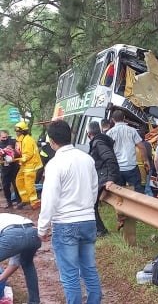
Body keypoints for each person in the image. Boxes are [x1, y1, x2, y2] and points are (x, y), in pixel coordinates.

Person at [37, 120, 102, 304]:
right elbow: (93, 189)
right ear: (70, 135)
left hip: (66, 223)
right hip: (88, 220)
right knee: (89, 269)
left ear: (51, 141)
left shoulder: (55, 164)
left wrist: (42, 227)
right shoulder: (87, 159)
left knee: (70, 275)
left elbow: (49, 198)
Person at [88, 121, 120, 237]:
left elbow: (110, 159)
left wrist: (111, 178)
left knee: (91, 204)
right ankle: (99, 230)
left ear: (89, 133)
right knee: (92, 203)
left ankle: (100, 230)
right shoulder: (100, 141)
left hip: (103, 178)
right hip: (102, 177)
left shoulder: (98, 143)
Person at [0, 212, 41, 304]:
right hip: (34, 233)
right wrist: (1, 278)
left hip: (12, 233)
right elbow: (15, 263)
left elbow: (14, 239)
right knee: (28, 264)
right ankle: (34, 301)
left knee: (27, 264)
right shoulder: (6, 217)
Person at [107, 110, 150, 194]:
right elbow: (141, 147)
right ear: (124, 118)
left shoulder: (109, 133)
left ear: (112, 120)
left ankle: (123, 206)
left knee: (120, 193)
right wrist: (146, 160)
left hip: (117, 168)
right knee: (137, 192)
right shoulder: (132, 131)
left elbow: (108, 151)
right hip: (132, 167)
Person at [14, 121, 42, 210]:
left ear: (22, 131)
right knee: (19, 180)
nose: (16, 132)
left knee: (29, 184)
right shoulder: (21, 139)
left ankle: (35, 202)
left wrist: (17, 160)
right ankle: (25, 199)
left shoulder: (28, 140)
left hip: (31, 165)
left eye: (17, 131)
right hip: (25, 165)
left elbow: (28, 154)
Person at [0, 130, 21, 208]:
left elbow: (18, 149)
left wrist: (12, 151)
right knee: (5, 185)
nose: (5, 139)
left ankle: (19, 202)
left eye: (6, 137)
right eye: (3, 137)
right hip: (4, 167)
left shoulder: (12, 140)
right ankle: (9, 202)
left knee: (16, 184)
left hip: (14, 166)